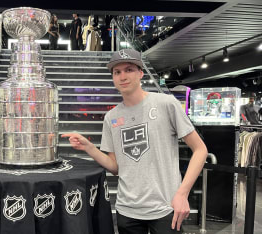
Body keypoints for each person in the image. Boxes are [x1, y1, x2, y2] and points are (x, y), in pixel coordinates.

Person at [62, 49, 208, 234]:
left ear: (140, 73)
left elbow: (200, 150)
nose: (123, 76)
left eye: (129, 69)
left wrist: (182, 193)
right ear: (113, 78)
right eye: (117, 72)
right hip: (127, 210)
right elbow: (115, 167)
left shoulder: (166, 104)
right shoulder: (111, 117)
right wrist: (89, 147)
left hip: (165, 207)